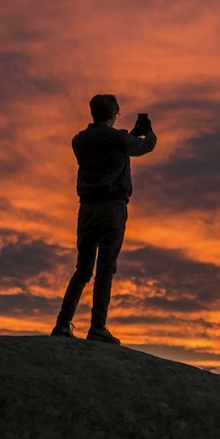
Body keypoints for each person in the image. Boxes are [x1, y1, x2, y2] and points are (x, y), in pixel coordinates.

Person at [51, 93, 157, 343]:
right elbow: (145, 146)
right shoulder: (119, 139)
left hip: (87, 210)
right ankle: (97, 326)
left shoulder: (79, 141)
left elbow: (110, 146)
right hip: (112, 208)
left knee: (83, 269)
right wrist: (148, 132)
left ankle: (63, 323)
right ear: (113, 113)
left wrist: (126, 136)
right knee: (105, 269)